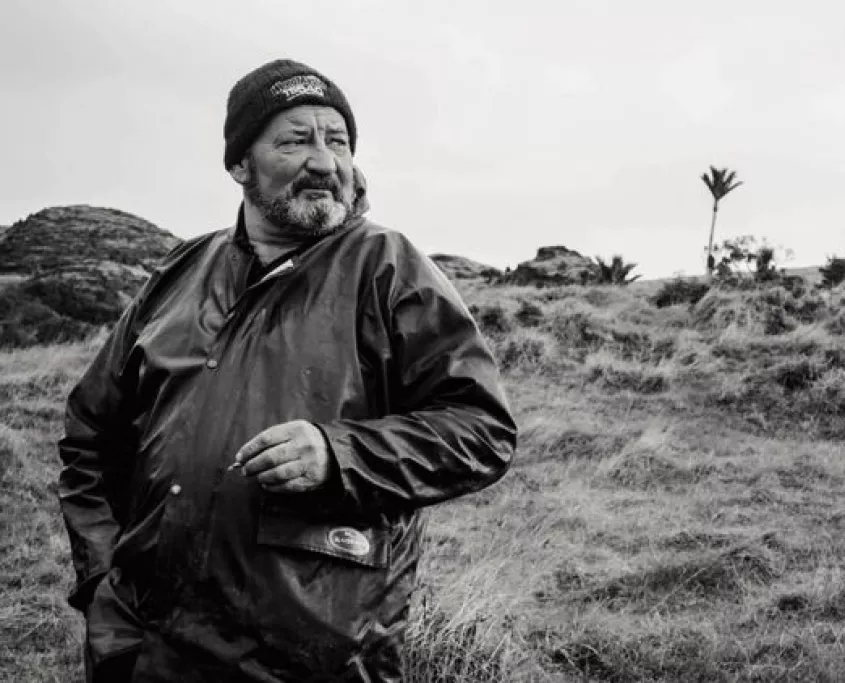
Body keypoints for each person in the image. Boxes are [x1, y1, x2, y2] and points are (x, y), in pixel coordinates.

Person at [57, 58, 518, 682]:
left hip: (314, 661)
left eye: (339, 141)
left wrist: (339, 454)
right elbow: (90, 433)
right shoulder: (181, 272)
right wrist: (101, 585)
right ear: (240, 164)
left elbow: (482, 429)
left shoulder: (388, 268)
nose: (325, 162)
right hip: (145, 651)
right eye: (296, 141)